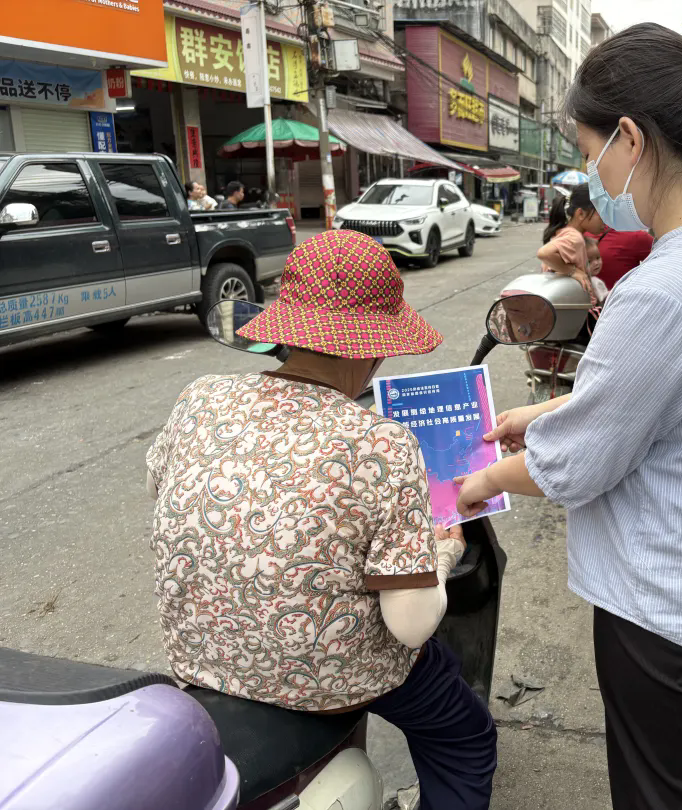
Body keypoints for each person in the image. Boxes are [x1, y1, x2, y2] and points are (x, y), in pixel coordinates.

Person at [455, 23, 682, 810]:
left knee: (666, 794)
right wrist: (549, 411)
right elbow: (681, 395)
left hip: (665, 604)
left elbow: (578, 464)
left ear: (632, 139)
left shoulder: (666, 287)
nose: (593, 174)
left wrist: (478, 483)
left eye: (591, 152)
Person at [146, 229, 497, 809]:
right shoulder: (382, 443)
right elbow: (411, 626)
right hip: (333, 678)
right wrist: (442, 553)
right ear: (369, 347)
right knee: (466, 736)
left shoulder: (199, 399)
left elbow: (163, 490)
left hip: (203, 661)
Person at [538, 183, 600, 301]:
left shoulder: (564, 232)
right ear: (581, 214)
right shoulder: (574, 237)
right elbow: (544, 253)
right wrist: (573, 272)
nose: (606, 220)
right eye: (602, 214)